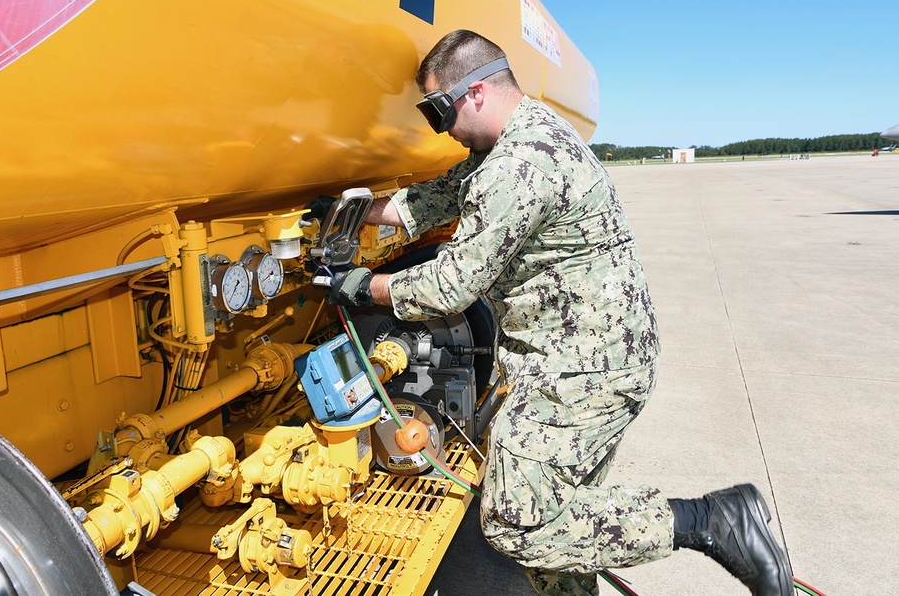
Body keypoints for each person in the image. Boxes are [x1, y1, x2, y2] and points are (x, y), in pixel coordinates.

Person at [310, 30, 793, 596]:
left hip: (580, 368)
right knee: (559, 541)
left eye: (437, 112)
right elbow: (436, 199)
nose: (436, 128)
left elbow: (450, 284)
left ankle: (711, 521)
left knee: (518, 524)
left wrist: (365, 288)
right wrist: (356, 212)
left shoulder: (521, 164)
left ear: (478, 92)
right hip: (587, 357)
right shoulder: (508, 146)